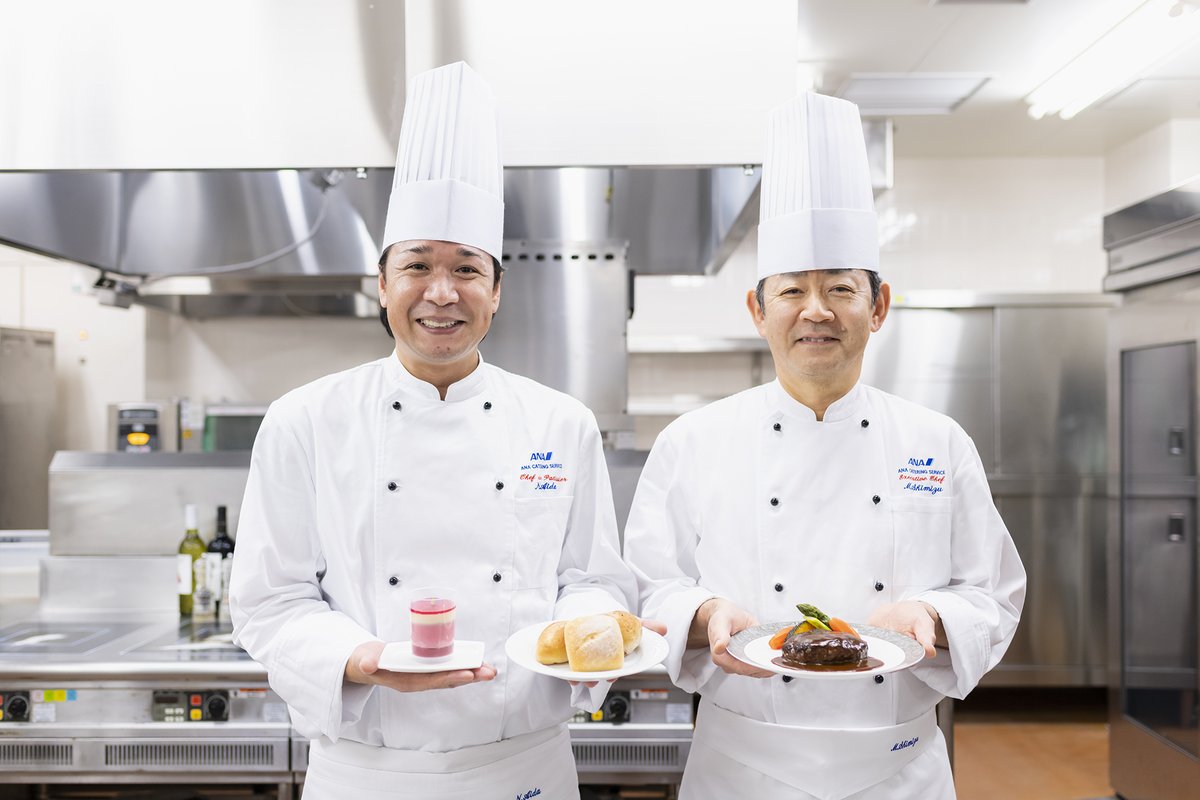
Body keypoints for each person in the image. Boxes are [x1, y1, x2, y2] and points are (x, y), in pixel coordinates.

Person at [230, 61, 637, 800]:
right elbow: (269, 601)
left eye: (467, 270)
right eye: (417, 266)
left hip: (524, 766)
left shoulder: (560, 422)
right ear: (382, 283)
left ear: (497, 289)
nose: (441, 293)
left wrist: (590, 628)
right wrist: (358, 658)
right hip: (366, 772)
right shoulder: (304, 421)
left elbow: (592, 579)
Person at [622, 91, 1026, 800]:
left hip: (899, 770)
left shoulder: (937, 442)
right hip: (741, 770)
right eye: (791, 292)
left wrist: (932, 617)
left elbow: (991, 593)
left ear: (878, 306)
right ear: (758, 310)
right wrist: (707, 615)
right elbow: (650, 585)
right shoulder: (692, 442)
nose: (816, 311)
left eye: (840, 288)